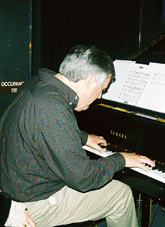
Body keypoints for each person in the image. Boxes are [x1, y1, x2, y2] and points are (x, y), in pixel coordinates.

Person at [0, 45, 155, 227]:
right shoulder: (53, 108)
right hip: (32, 203)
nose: (99, 97)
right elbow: (83, 178)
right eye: (102, 89)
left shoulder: (38, 86)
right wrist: (121, 159)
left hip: (13, 187)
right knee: (120, 194)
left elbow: (42, 129)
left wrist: (83, 137)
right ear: (89, 81)